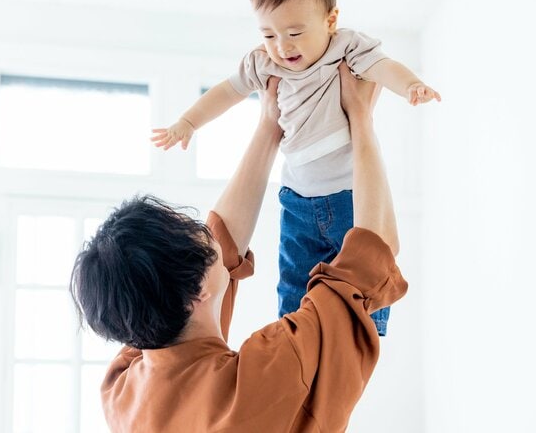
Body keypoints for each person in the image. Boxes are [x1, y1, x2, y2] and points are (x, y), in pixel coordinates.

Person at [71, 62, 408, 432]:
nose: (206, 230)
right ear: (198, 291)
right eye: (195, 232)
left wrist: (270, 124)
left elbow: (221, 242)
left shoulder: (124, 386)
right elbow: (373, 255)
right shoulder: (269, 372)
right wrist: (361, 119)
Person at [151, 0, 436, 335]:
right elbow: (227, 91)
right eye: (268, 34)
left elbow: (383, 68)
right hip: (296, 197)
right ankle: (290, 331)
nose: (282, 46)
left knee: (361, 268)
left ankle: (370, 324)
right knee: (294, 278)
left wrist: (410, 86)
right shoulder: (264, 63)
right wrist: (188, 122)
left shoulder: (346, 48)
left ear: (331, 20)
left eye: (295, 33)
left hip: (348, 192)